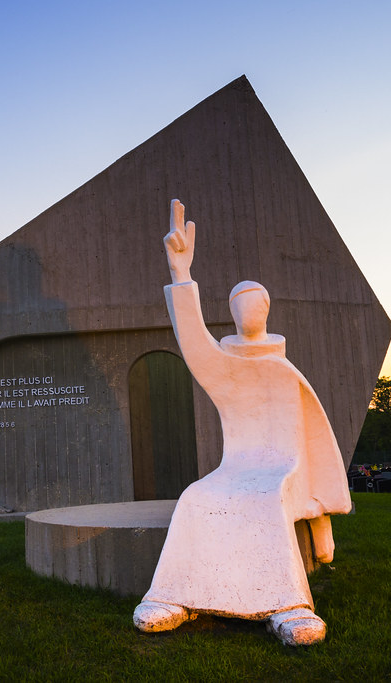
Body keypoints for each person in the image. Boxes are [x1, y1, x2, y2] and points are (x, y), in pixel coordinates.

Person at [132, 199, 352, 646]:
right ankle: (173, 596)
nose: (248, 310)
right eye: (239, 302)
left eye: (255, 302)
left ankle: (290, 607)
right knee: (197, 496)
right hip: (238, 465)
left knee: (267, 498)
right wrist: (181, 274)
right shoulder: (226, 366)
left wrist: (321, 517)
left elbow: (312, 442)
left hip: (280, 469)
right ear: (231, 312)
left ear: (266, 310)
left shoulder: (284, 372)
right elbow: (194, 342)